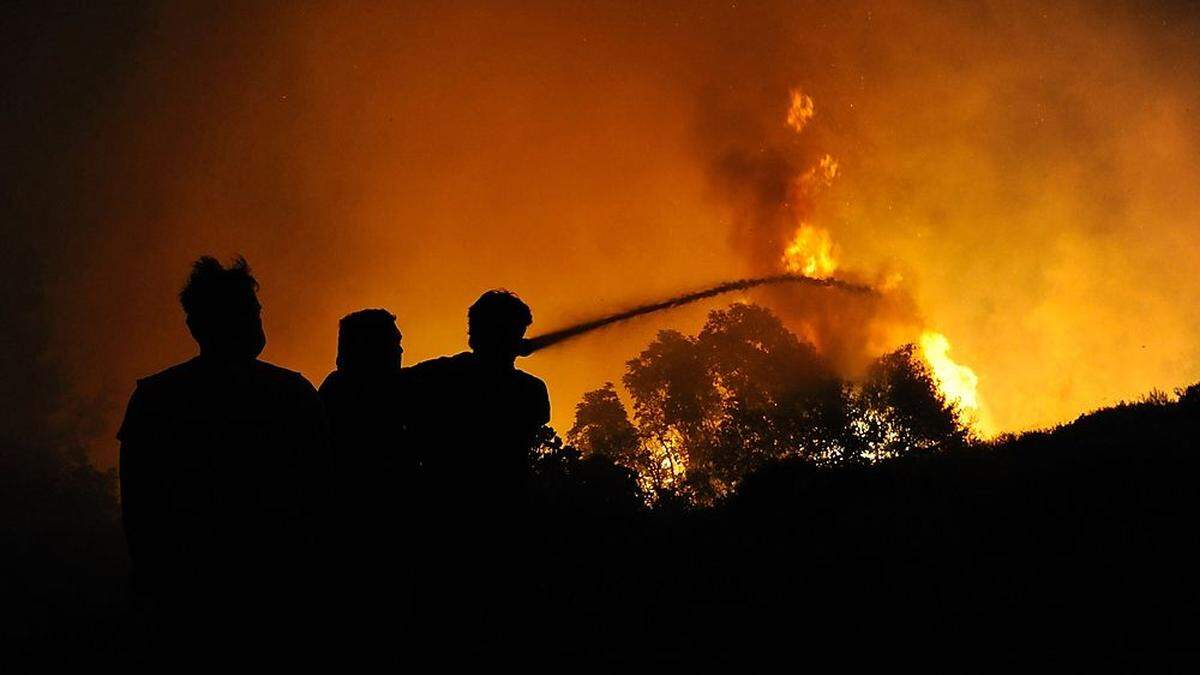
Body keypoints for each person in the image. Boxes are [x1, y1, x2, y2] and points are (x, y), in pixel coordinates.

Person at [117, 256, 330, 650]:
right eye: (249, 312)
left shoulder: (155, 399)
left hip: (181, 604)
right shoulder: (290, 395)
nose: (256, 322)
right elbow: (320, 500)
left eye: (254, 312)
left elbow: (139, 513)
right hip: (273, 601)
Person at [403, 289, 551, 648]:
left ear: (472, 334)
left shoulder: (436, 377)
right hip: (505, 520)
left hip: (442, 522)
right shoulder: (530, 391)